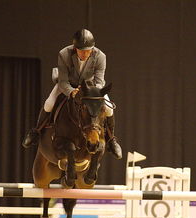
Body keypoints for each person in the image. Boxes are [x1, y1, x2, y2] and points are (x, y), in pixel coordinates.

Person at [22, 29, 122, 159]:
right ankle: (36, 131)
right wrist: (71, 91)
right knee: (49, 103)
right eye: (82, 51)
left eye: (88, 50)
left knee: (108, 109)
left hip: (91, 89)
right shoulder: (64, 54)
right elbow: (63, 81)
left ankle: (111, 140)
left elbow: (99, 81)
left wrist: (91, 94)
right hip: (69, 85)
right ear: (75, 48)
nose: (85, 53)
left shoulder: (100, 56)